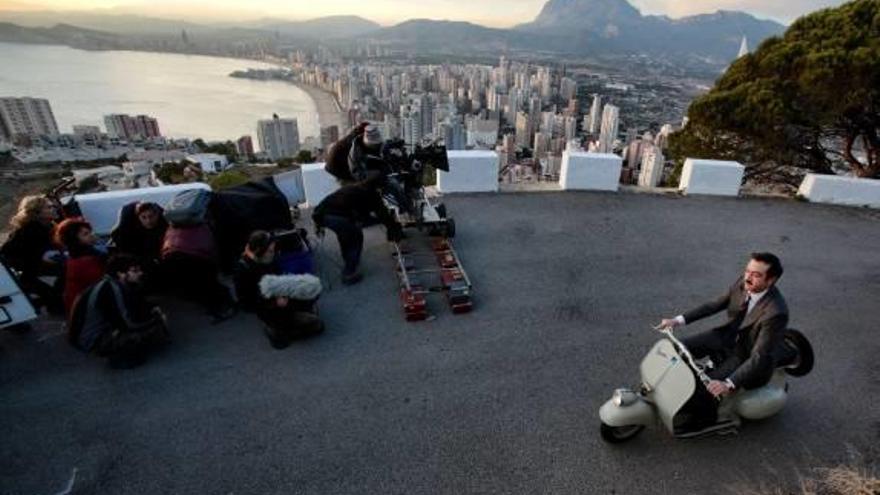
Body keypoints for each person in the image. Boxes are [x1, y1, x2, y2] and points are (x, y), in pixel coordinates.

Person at [659, 253, 789, 431]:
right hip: (724, 337)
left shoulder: (776, 312)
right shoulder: (743, 283)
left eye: (756, 275)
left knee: (706, 390)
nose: (748, 278)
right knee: (675, 349)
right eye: (747, 271)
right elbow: (714, 305)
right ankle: (676, 387)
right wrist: (677, 320)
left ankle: (706, 420)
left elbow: (759, 356)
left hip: (745, 353)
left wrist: (728, 384)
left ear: (771, 280)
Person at [67, 254, 169, 369]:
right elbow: (127, 324)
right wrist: (155, 320)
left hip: (89, 335)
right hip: (90, 340)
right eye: (135, 271)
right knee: (143, 333)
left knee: (148, 323)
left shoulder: (112, 283)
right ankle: (119, 356)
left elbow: (137, 304)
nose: (140, 273)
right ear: (120, 274)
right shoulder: (112, 289)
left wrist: (151, 310)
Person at [233, 231, 324, 349]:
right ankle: (276, 329)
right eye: (270, 251)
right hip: (269, 306)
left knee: (311, 290)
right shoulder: (243, 271)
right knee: (316, 326)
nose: (273, 253)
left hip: (282, 295)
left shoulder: (267, 258)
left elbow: (277, 273)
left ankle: (294, 317)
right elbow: (247, 303)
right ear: (259, 251)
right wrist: (273, 302)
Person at [312, 175, 403, 285]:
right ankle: (349, 273)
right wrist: (393, 227)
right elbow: (382, 215)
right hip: (335, 216)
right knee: (355, 237)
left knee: (345, 236)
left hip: (320, 214)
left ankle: (349, 261)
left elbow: (364, 215)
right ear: (378, 187)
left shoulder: (356, 188)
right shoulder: (372, 194)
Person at [0, 195, 64, 314]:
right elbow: (8, 253)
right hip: (26, 270)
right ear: (37, 213)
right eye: (48, 207)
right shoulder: (30, 230)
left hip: (32, 267)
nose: (53, 208)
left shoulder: (47, 225)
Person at [161, 221, 236, 322]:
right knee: (202, 285)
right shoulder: (197, 228)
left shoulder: (173, 230)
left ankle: (221, 305)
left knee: (203, 285)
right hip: (195, 260)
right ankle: (218, 304)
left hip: (192, 262)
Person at [55, 218, 105, 316]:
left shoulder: (75, 255)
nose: (91, 235)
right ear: (74, 240)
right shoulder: (84, 261)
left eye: (90, 232)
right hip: (85, 309)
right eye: (85, 234)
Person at [110, 202, 168, 286]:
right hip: (133, 252)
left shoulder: (164, 223)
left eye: (151, 216)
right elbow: (123, 247)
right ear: (138, 218)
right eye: (143, 217)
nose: (148, 221)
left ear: (157, 215)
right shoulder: (127, 229)